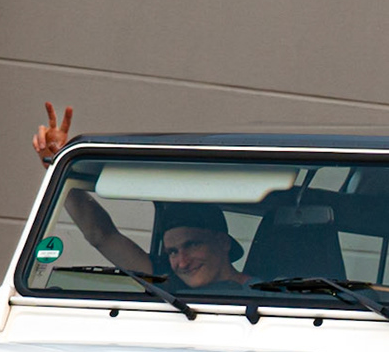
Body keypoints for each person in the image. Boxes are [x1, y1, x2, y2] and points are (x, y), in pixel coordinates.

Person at [32, 103, 247, 289]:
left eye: (192, 245)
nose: (182, 262)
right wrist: (59, 165)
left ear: (223, 242)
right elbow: (101, 235)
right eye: (172, 252)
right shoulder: (168, 288)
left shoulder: (263, 296)